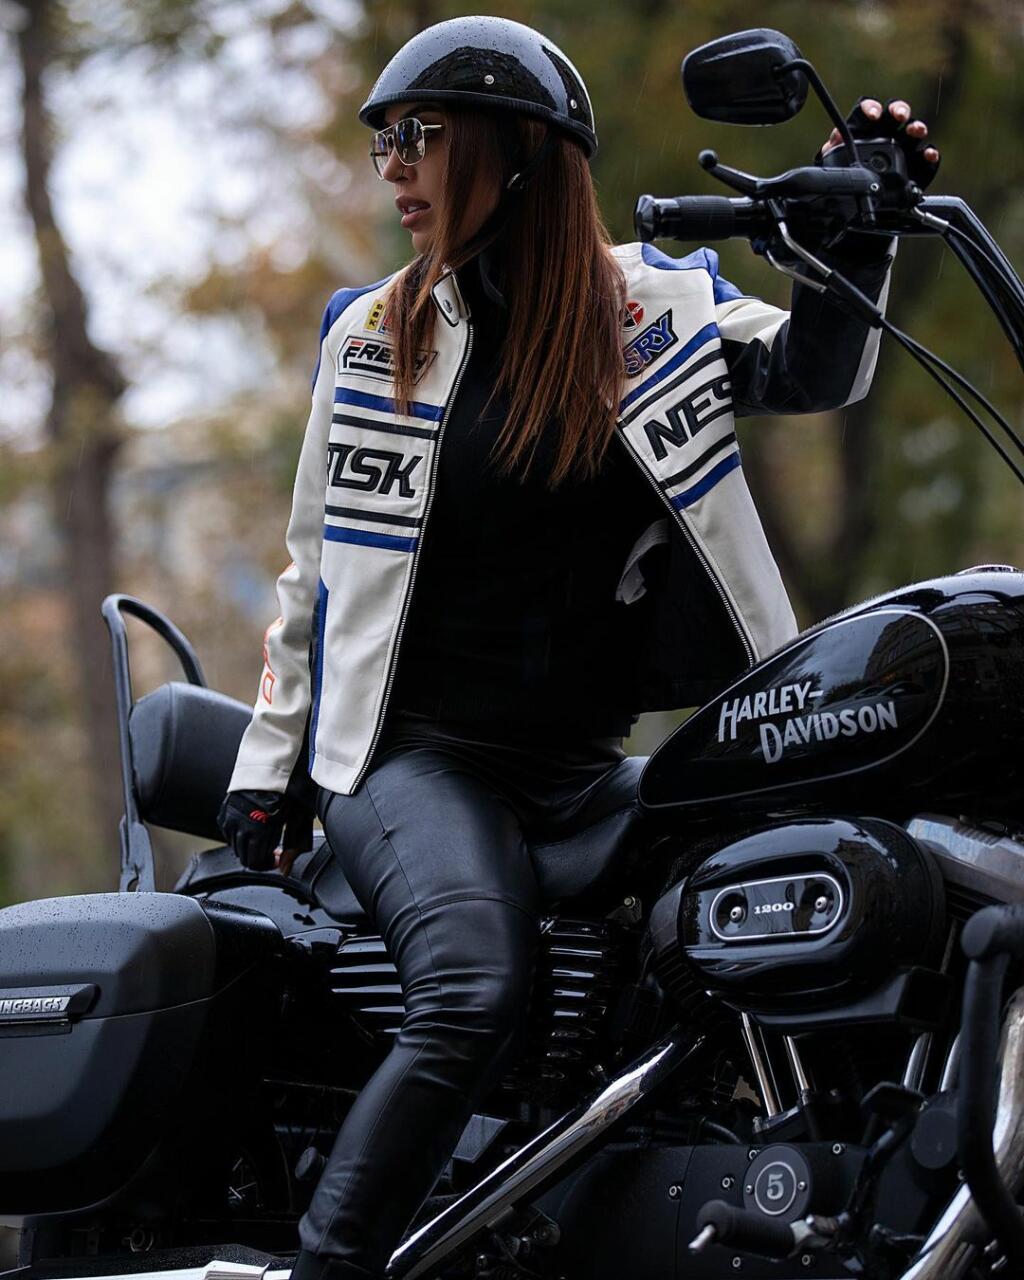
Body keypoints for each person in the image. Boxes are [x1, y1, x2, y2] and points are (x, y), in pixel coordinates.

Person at [217, 17, 939, 1280]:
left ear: (517, 150)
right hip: (413, 761)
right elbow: (310, 575)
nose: (392, 165)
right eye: (384, 141)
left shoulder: (657, 308)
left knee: (834, 891)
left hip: (583, 767)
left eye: (417, 134)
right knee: (470, 991)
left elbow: (814, 371)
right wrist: (267, 769)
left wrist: (859, 227)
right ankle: (327, 1266)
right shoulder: (369, 337)